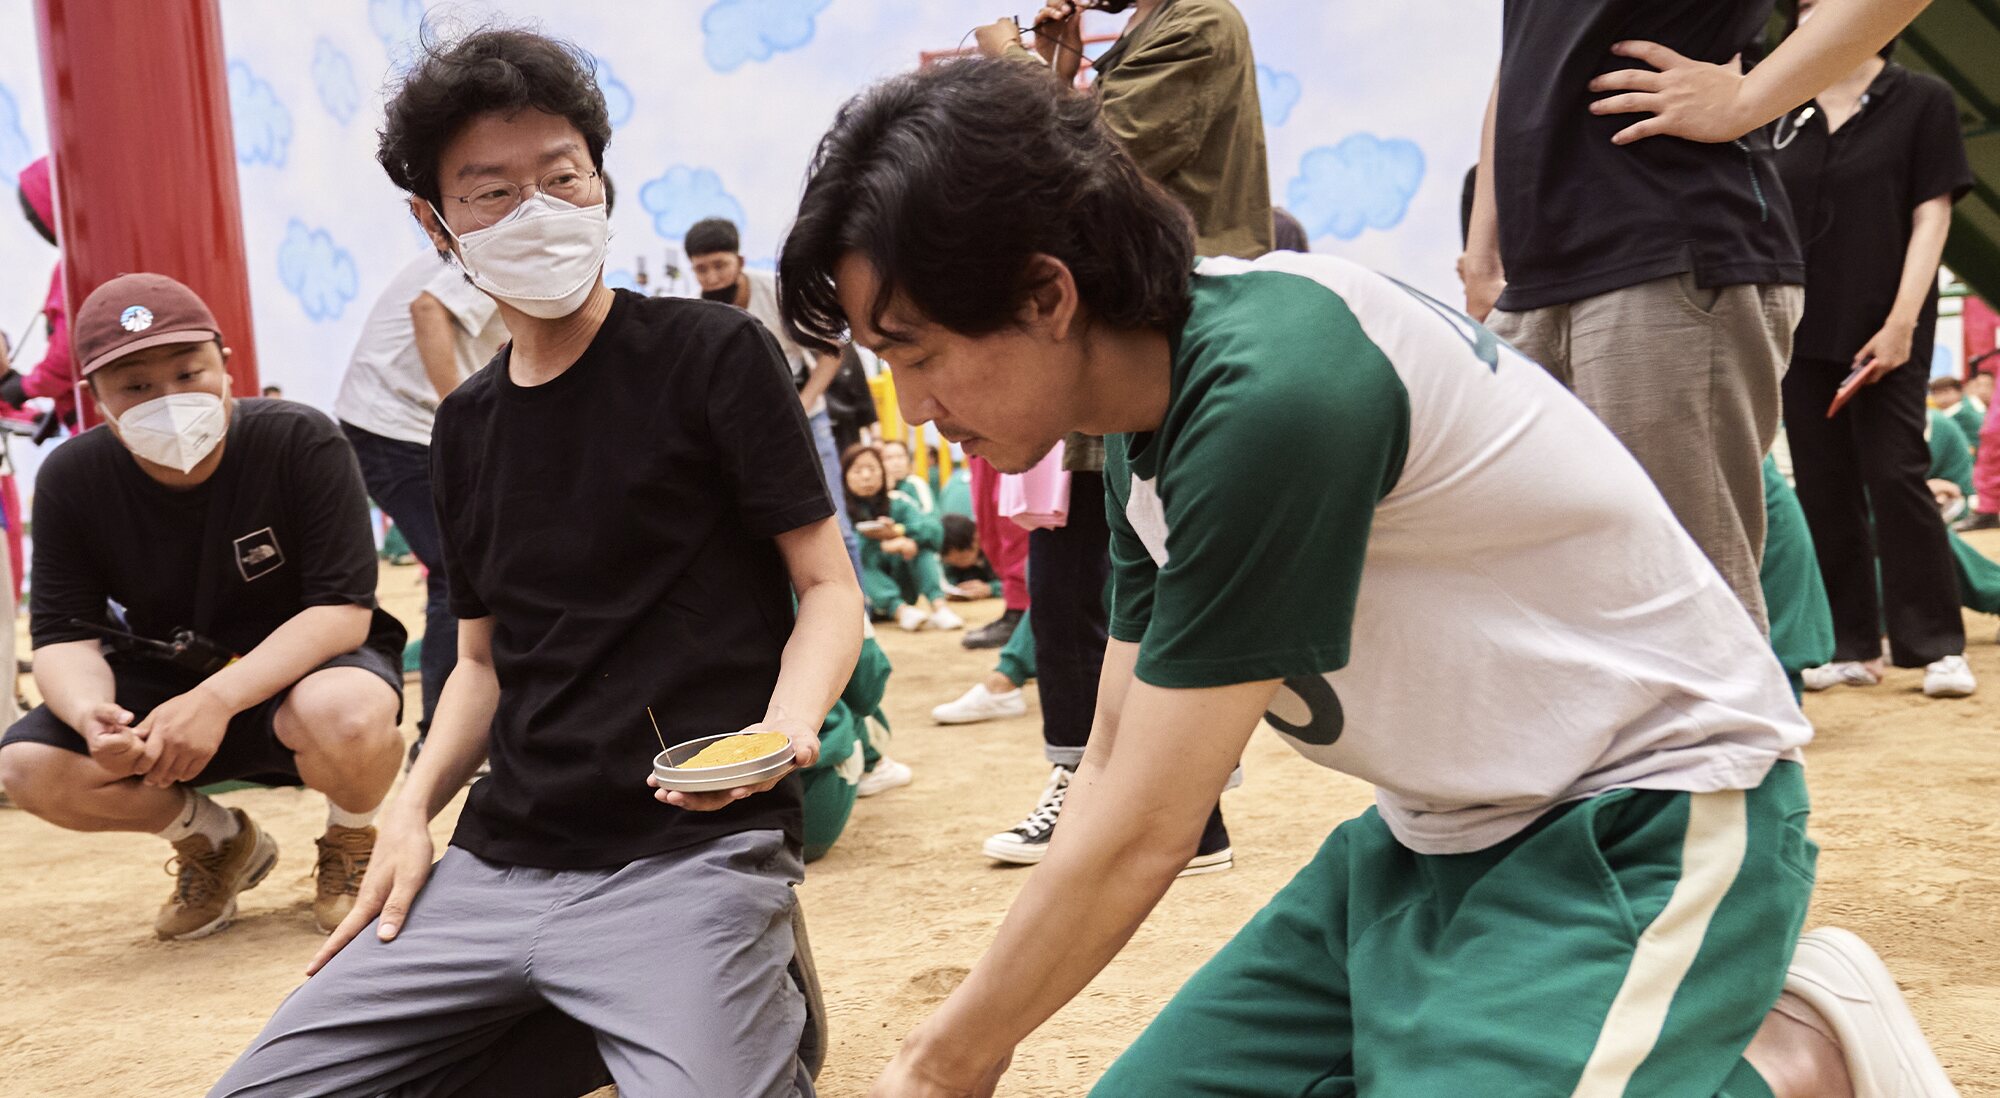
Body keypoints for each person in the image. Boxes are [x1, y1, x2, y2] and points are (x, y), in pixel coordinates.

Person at [779, 58, 1959, 1098]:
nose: (919, 409)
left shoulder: (1271, 395)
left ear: (1047, 295)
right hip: (1429, 843)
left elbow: (1149, 827)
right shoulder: (1145, 421)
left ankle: (1797, 1061)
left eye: (917, 352)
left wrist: (943, 1063)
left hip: (1647, 815)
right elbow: (1113, 767)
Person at [211, 29, 860, 1097]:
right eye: (491, 192)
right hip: (498, 861)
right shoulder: (464, 427)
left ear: (600, 183)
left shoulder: (711, 355)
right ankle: (586, 1022)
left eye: (561, 178)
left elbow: (828, 587)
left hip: (692, 854)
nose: (538, 212)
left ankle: (727, 983)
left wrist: (784, 727)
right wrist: (412, 814)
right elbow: (480, 662)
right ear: (436, 223)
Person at [1461, 0, 1934, 631]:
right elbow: (1520, 56)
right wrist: (1482, 246)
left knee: (1683, 598)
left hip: (1671, 248)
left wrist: (1745, 100)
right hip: (1537, 274)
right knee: (1554, 597)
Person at [0, 273, 407, 940]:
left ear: (226, 364)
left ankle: (351, 841)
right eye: (135, 386)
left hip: (306, 669)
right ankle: (214, 841)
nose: (168, 398)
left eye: (188, 371)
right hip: (167, 677)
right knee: (26, 764)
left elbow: (341, 612)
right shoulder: (73, 478)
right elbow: (62, 636)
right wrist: (89, 714)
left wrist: (216, 701)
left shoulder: (299, 440)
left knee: (352, 715)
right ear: (94, 398)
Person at [975, 0, 1268, 875]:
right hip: (1125, 334)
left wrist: (1016, 72)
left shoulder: (1201, 23)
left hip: (1172, 338)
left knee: (1116, 578)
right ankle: (1145, 804)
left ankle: (1156, 809)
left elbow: (1086, 165)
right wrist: (1058, 66)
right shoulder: (1152, 33)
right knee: (1087, 580)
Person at [1771, 2, 1975, 698]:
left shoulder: (1921, 99)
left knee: (1895, 475)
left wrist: (1902, 323)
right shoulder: (1776, 108)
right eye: (1800, 7)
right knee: (1823, 488)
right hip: (1797, 332)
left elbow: (1933, 212)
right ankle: (1853, 644)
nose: (1808, 16)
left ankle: (1936, 645)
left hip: (1888, 329)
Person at [335, 246, 509, 756]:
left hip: (414, 428)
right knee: (458, 574)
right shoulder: (489, 249)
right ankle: (441, 738)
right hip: (394, 428)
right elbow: (427, 309)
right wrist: (465, 415)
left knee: (482, 566)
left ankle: (473, 727)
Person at [686, 216, 862, 581]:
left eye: (720, 265)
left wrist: (799, 406)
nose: (712, 277)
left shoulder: (778, 295)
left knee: (836, 524)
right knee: (771, 527)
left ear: (741, 262)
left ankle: (862, 624)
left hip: (805, 417)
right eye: (701, 270)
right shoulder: (696, 312)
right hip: (746, 430)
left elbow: (832, 350)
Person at [844, 442, 961, 632]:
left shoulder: (898, 501)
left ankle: (940, 608)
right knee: (854, 559)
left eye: (872, 469)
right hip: (865, 596)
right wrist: (883, 546)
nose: (866, 476)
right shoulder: (838, 511)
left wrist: (899, 532)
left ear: (883, 473)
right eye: (857, 471)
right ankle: (900, 610)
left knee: (919, 545)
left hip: (904, 583)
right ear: (844, 477)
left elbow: (935, 532)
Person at [1929, 375, 1984, 462]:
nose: (1942, 397)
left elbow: (1975, 446)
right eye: (1936, 393)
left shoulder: (1967, 415)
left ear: (1960, 392)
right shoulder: (1940, 414)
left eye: (1946, 392)